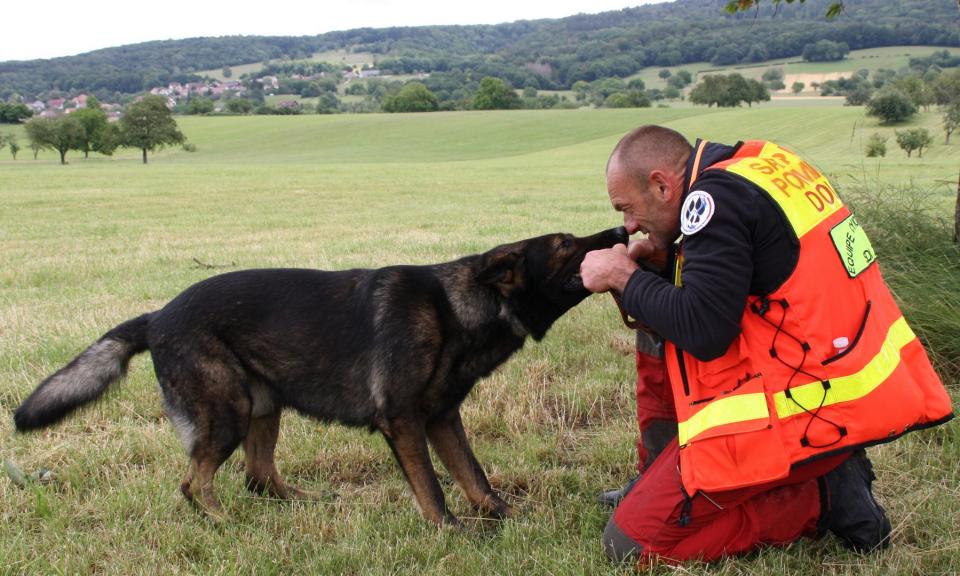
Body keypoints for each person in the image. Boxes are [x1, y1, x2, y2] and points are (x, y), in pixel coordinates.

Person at [580, 125, 954, 564]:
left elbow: (705, 331)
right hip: (839, 382)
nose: (628, 226)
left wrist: (624, 277)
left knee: (630, 546)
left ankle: (822, 496)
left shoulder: (712, 201)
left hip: (808, 416)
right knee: (656, 299)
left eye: (627, 209)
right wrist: (666, 269)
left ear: (662, 185)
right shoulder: (760, 164)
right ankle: (658, 475)